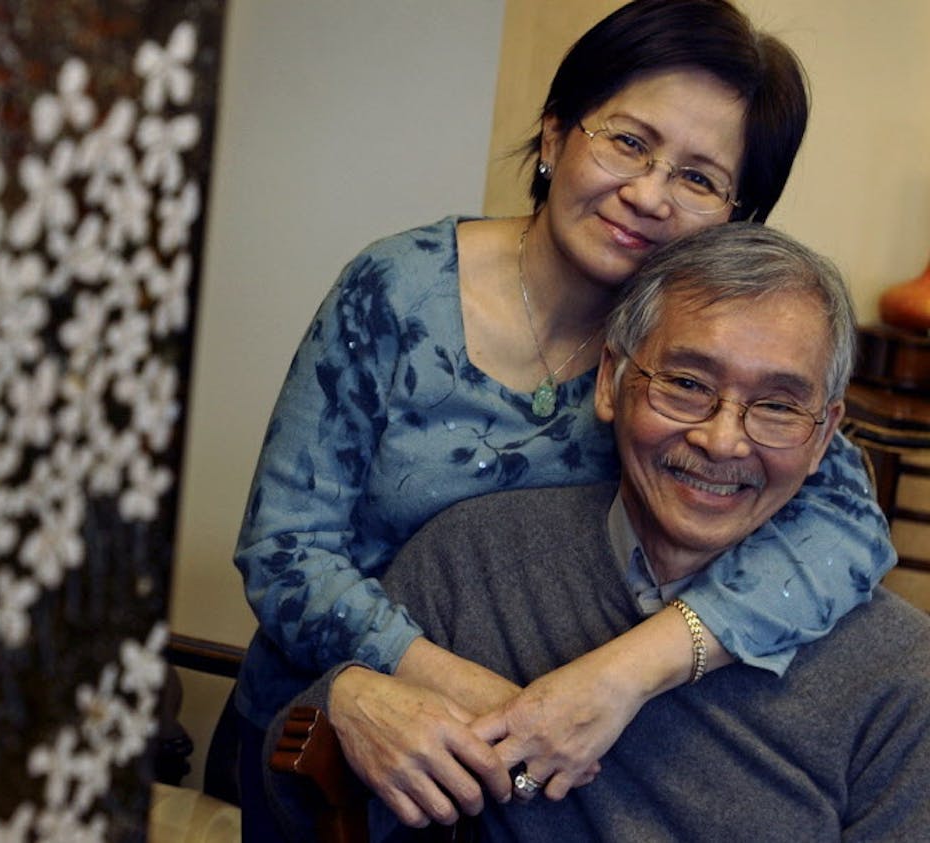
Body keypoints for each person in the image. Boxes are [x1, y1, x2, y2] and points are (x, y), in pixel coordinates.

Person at [230, 0, 896, 835]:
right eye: (628, 141)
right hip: (337, 723)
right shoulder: (397, 292)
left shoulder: (691, 361)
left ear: (737, 216)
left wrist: (616, 677)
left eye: (699, 177)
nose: (650, 195)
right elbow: (284, 549)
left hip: (563, 766)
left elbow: (848, 531)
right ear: (553, 138)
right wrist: (434, 691)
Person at [265, 223, 930, 842]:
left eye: (780, 406)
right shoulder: (472, 559)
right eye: (687, 383)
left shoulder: (899, 671)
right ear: (611, 380)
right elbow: (303, 783)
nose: (723, 439)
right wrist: (344, 695)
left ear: (823, 434)